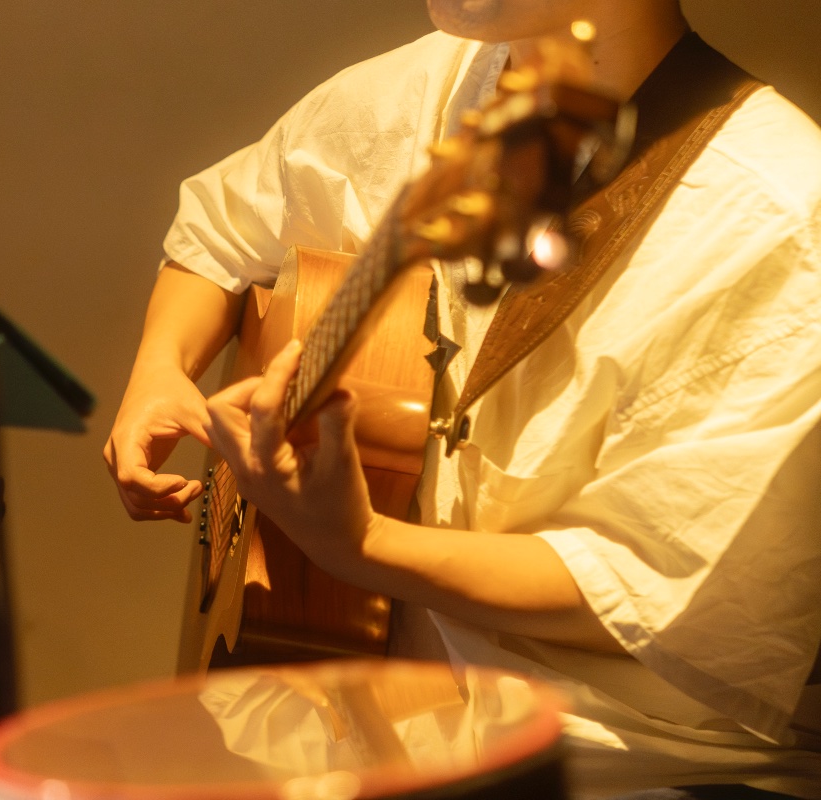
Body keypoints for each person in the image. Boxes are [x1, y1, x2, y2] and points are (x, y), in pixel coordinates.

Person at [103, 1, 821, 797]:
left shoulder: (778, 219)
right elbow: (223, 229)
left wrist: (363, 546)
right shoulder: (447, 76)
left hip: (618, 763)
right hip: (367, 726)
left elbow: (650, 587)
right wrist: (160, 371)